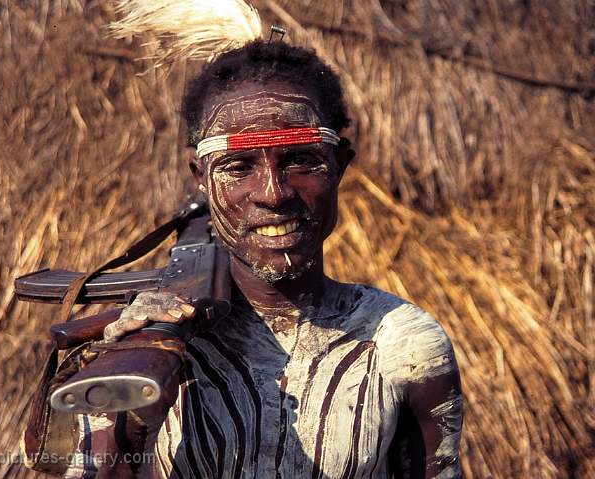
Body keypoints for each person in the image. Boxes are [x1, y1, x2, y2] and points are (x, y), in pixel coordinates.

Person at [61, 40, 462, 479]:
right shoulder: (144, 347)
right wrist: (130, 412)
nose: (273, 193)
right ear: (202, 178)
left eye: (300, 161)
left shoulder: (404, 344)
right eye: (238, 167)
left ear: (340, 164)